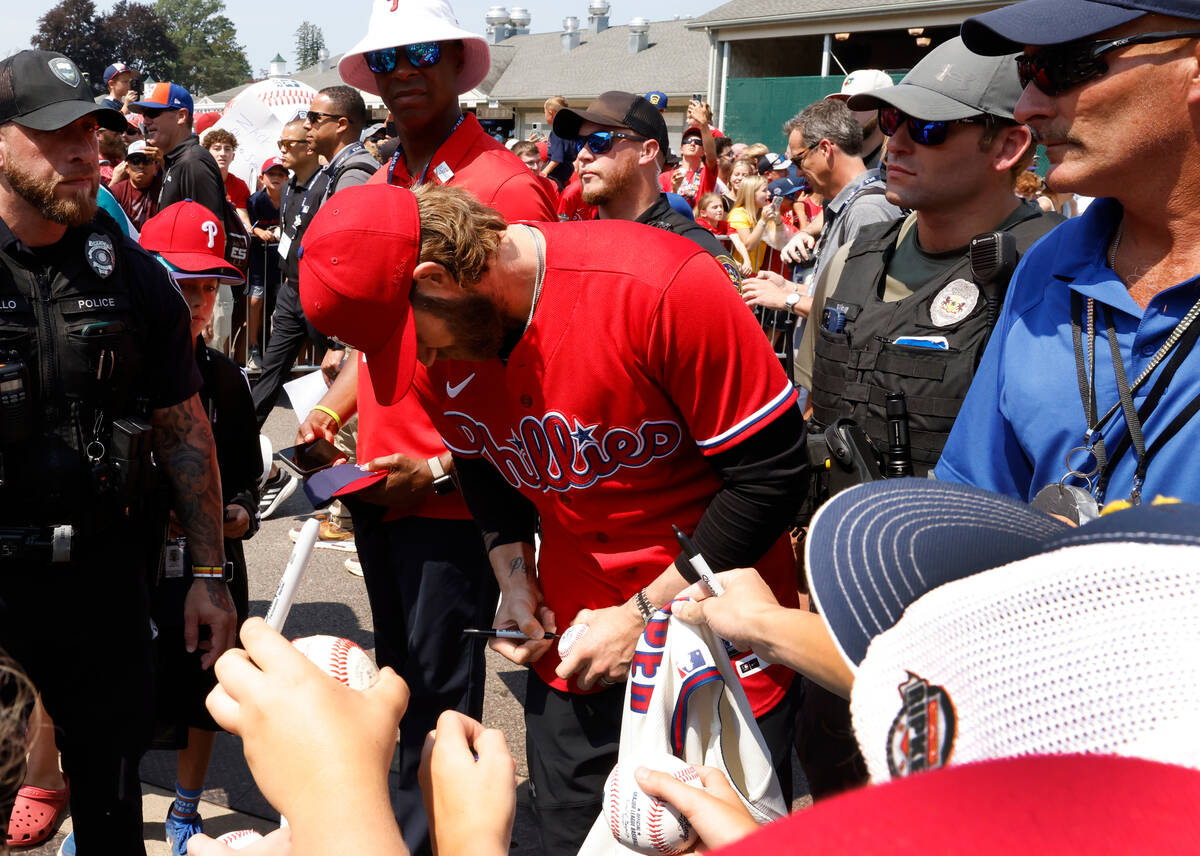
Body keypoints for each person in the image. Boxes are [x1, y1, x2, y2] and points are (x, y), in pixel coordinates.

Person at [299, 181, 808, 855]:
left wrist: (641, 616)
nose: (421, 361)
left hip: (717, 642)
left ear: (436, 278)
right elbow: (484, 465)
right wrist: (515, 579)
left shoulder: (658, 284)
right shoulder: (450, 340)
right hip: (574, 648)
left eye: (414, 338)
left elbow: (772, 477)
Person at [303, 2, 558, 851]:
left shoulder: (503, 186)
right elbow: (376, 340)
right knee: (403, 690)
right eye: (386, 60)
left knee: (440, 709)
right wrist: (329, 413)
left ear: (458, 62)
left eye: (421, 52)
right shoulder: (384, 187)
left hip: (455, 501)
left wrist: (445, 469)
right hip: (377, 484)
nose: (402, 70)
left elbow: (535, 367)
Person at [0, 49, 236, 855]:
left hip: (101, 583)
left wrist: (209, 577)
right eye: (52, 133)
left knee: (110, 809)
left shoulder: (131, 273)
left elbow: (183, 426)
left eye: (91, 131)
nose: (82, 151)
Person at [938, 0, 1200, 506]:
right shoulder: (1049, 262)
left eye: (1063, 68)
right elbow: (975, 503)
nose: (1026, 107)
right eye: (1026, 72)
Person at [138, 200, 259, 856]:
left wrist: (237, 514)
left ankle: (186, 810)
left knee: (200, 693)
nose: (201, 302)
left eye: (210, 288)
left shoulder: (223, 378)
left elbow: (244, 476)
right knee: (118, 695)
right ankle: (113, 804)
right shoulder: (115, 370)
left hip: (204, 569)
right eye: (184, 287)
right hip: (129, 567)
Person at [553, 91, 735, 260]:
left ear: (647, 151)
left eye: (599, 141)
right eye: (579, 143)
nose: (582, 154)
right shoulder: (578, 244)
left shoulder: (692, 249)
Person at [778, 99, 901, 284]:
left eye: (799, 160)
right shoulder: (848, 203)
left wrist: (789, 300)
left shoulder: (867, 210)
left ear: (825, 149)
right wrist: (786, 289)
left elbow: (858, 307)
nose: (798, 172)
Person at [131, 82, 225, 219]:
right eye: (144, 115)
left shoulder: (193, 162)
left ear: (181, 116)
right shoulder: (177, 160)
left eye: (152, 113)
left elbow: (213, 233)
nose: (145, 121)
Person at [201, 128, 253, 355]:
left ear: (233, 155)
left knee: (221, 324)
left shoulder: (238, 184)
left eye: (227, 149)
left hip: (228, 266)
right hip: (203, 261)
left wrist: (250, 229)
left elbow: (243, 218)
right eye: (217, 148)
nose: (222, 153)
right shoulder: (200, 178)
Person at [245, 157, 288, 372]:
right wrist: (257, 231)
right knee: (255, 301)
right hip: (259, 261)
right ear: (262, 178)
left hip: (281, 264)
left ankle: (277, 350)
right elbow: (248, 225)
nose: (276, 178)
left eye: (281, 174)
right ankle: (253, 347)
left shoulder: (291, 198)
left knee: (283, 305)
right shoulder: (254, 201)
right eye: (272, 174)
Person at [824, 68, 894, 170]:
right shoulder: (833, 162)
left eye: (857, 103)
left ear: (884, 108)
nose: (848, 110)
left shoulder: (897, 163)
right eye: (843, 103)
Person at [657, 101, 718, 205]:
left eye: (698, 142)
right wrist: (674, 190)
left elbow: (712, 157)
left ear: (703, 151)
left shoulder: (705, 174)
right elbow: (663, 208)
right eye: (688, 141)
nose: (693, 143)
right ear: (681, 149)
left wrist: (703, 123)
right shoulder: (664, 177)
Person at [727, 175, 780, 276]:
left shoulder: (762, 213)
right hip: (739, 273)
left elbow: (779, 239)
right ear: (751, 193)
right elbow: (749, 245)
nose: (769, 193)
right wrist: (763, 221)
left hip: (756, 272)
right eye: (764, 190)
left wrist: (778, 219)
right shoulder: (738, 213)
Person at [108, 139, 161, 230]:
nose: (141, 166)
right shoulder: (117, 191)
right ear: (127, 168)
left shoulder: (164, 189)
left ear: (156, 167)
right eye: (135, 161)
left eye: (147, 160)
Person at [540, 96, 578, 190]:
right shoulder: (568, 129)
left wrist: (544, 172)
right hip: (568, 172)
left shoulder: (557, 131)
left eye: (544, 112)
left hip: (556, 175)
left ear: (551, 113)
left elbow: (557, 158)